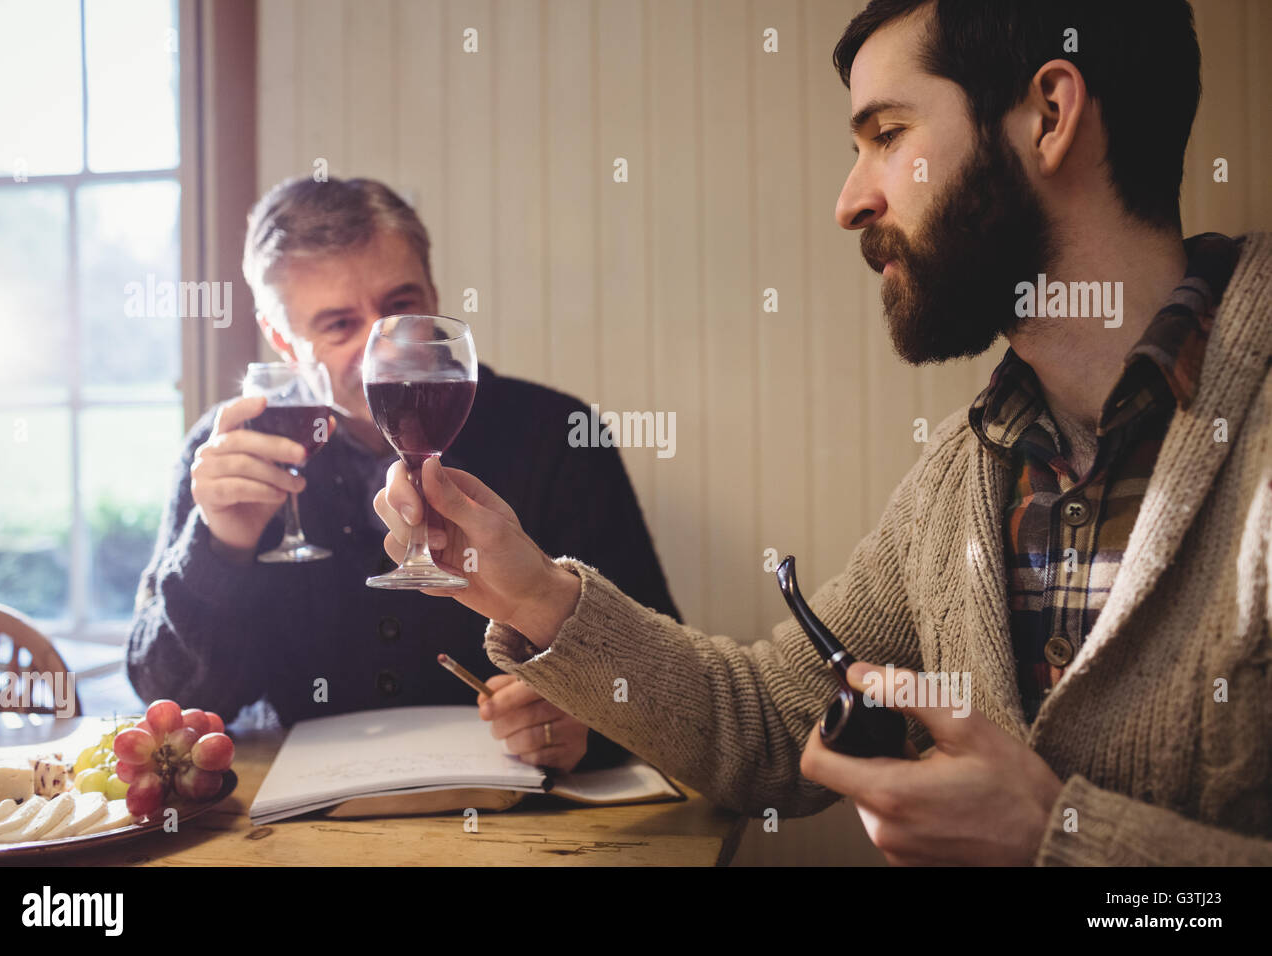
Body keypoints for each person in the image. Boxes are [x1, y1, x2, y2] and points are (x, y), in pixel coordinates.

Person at [377, 0, 1272, 864]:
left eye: (887, 136)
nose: (850, 202)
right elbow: (766, 726)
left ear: (1048, 114)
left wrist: (1058, 846)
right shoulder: (964, 478)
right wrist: (530, 592)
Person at [126, 176, 681, 772]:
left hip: (527, 822)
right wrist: (221, 547)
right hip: (293, 828)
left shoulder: (558, 432)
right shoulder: (231, 449)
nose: (381, 349)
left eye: (400, 308)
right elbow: (176, 704)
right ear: (282, 339)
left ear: (434, 292)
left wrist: (588, 727)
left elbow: (663, 688)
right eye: (339, 325)